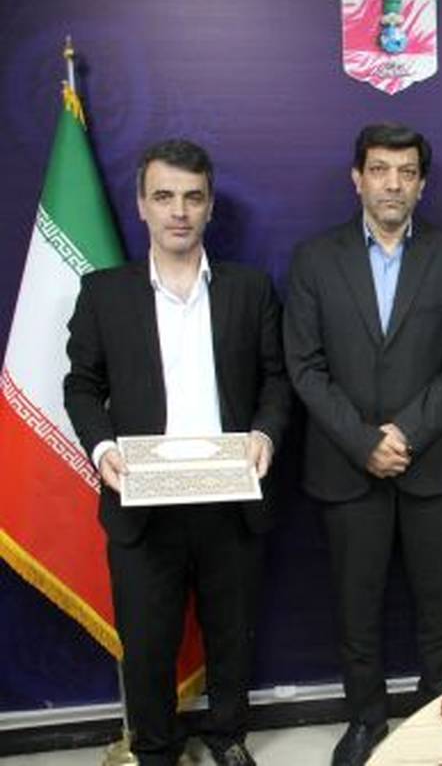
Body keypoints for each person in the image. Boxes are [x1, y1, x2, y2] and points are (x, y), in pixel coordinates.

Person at [63, 139, 291, 766]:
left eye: (193, 197)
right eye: (164, 196)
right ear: (141, 204)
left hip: (231, 498)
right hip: (143, 502)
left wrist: (265, 434)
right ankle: (157, 751)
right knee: (147, 644)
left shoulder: (250, 290)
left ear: (210, 205)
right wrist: (102, 447)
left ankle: (227, 738)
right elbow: (81, 385)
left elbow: (277, 379)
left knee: (232, 636)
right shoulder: (104, 293)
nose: (179, 212)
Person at [283, 123, 442, 766]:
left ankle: (436, 718)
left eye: (406, 172)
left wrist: (407, 433)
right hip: (346, 465)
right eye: (379, 170)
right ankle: (366, 719)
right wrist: (363, 440)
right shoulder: (315, 259)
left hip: (431, 461)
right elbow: (304, 365)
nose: (392, 184)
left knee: (438, 605)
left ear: (422, 184)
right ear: (357, 178)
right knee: (356, 605)